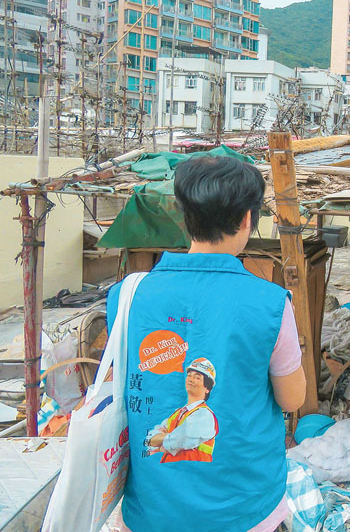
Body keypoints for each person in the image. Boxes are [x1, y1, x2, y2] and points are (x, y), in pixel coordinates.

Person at [106, 155, 306, 532]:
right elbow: (292, 399)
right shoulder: (271, 303)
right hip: (244, 509)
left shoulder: (126, 295)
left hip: (151, 510)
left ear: (186, 216)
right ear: (247, 218)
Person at [145, 358, 218, 463]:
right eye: (189, 375)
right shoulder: (177, 413)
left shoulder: (205, 415)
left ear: (207, 388)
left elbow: (178, 440)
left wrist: (162, 442)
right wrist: (166, 438)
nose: (191, 379)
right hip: (168, 473)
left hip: (193, 474)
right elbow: (149, 440)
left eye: (197, 378)